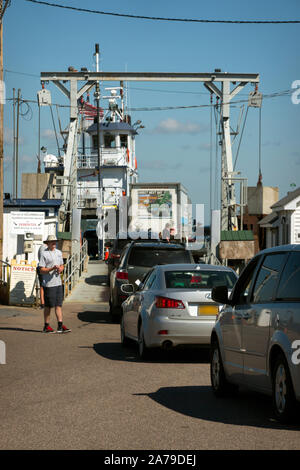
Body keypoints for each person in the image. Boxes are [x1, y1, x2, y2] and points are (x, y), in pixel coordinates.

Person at [38, 235, 71, 334]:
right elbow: (41, 269)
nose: (54, 243)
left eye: (55, 241)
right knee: (48, 306)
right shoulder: (44, 254)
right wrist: (51, 269)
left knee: (58, 305)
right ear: (47, 243)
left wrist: (61, 268)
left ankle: (60, 325)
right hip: (49, 284)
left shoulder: (59, 253)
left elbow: (62, 264)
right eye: (52, 242)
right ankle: (46, 326)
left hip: (58, 283)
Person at [37, 243, 47, 309]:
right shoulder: (45, 248)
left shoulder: (41, 247)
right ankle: (45, 303)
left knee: (42, 286)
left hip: (40, 267)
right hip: (44, 268)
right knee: (44, 286)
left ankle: (42, 303)